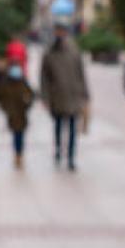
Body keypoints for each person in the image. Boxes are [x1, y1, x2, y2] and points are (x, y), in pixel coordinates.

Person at [39, 25, 90, 170]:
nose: (59, 34)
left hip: (73, 95)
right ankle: (58, 151)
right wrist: (45, 97)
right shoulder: (49, 53)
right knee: (58, 126)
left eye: (62, 31)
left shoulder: (74, 51)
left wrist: (85, 93)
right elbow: (44, 77)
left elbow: (81, 73)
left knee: (73, 129)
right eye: (57, 31)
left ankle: (71, 157)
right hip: (57, 96)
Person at [0, 63, 35, 171]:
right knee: (16, 135)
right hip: (12, 114)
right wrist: (6, 108)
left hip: (22, 113)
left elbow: (31, 95)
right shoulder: (5, 83)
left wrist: (27, 103)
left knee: (20, 135)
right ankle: (17, 154)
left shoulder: (23, 82)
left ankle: (19, 154)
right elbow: (0, 97)